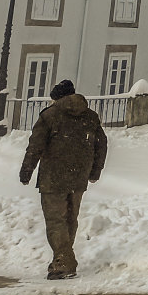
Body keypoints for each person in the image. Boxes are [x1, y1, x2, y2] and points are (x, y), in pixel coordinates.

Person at [19, 79, 107, 280]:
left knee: (55, 219)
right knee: (70, 218)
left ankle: (63, 262)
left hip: (53, 176)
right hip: (79, 176)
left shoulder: (49, 116)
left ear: (57, 98)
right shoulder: (90, 117)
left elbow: (36, 146)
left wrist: (26, 171)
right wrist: (95, 171)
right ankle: (63, 259)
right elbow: (101, 145)